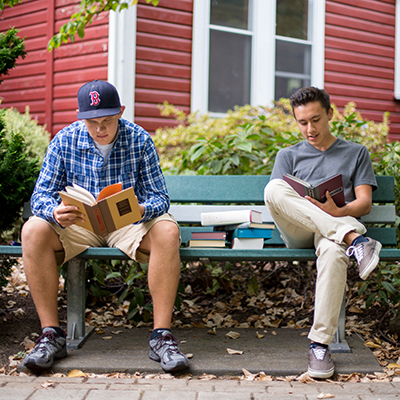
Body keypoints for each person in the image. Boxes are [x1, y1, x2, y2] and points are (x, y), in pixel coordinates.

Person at [21, 80, 189, 373]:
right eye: (92, 122)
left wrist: (141, 208)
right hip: (78, 225)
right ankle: (51, 335)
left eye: (108, 121)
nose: (100, 129)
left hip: (127, 223)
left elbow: (160, 198)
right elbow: (40, 197)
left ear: (121, 112)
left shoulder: (139, 140)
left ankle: (161, 337)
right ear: (80, 117)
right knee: (32, 230)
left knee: (167, 230)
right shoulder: (64, 140)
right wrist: (55, 212)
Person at [264, 86, 381, 379]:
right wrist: (339, 223)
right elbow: (278, 201)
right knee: (273, 187)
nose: (309, 129)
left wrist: (337, 213)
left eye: (315, 120)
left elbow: (364, 203)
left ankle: (319, 345)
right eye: (302, 122)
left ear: (330, 114)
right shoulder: (288, 155)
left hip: (330, 230)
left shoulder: (356, 153)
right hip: (299, 230)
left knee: (332, 250)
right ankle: (357, 240)